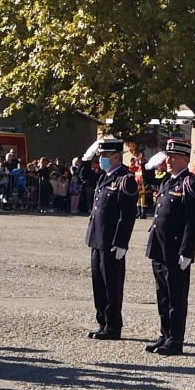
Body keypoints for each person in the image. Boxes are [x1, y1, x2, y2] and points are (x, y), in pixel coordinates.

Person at [143, 137, 195, 356]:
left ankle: (176, 339)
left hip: (176, 249)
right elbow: (147, 182)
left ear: (184, 159)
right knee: (162, 294)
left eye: (173, 156)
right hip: (159, 246)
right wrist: (148, 165)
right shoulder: (167, 181)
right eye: (167, 156)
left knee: (176, 296)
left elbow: (194, 221)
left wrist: (188, 251)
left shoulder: (190, 183)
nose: (167, 160)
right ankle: (165, 334)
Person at [81, 136, 137, 339]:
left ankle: (113, 326)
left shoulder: (125, 179)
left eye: (105, 155)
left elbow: (127, 215)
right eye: (101, 155)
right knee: (98, 282)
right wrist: (87, 158)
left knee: (112, 284)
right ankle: (102, 322)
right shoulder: (104, 176)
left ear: (116, 156)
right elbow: (83, 175)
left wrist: (122, 242)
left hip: (112, 241)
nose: (101, 158)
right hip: (97, 237)